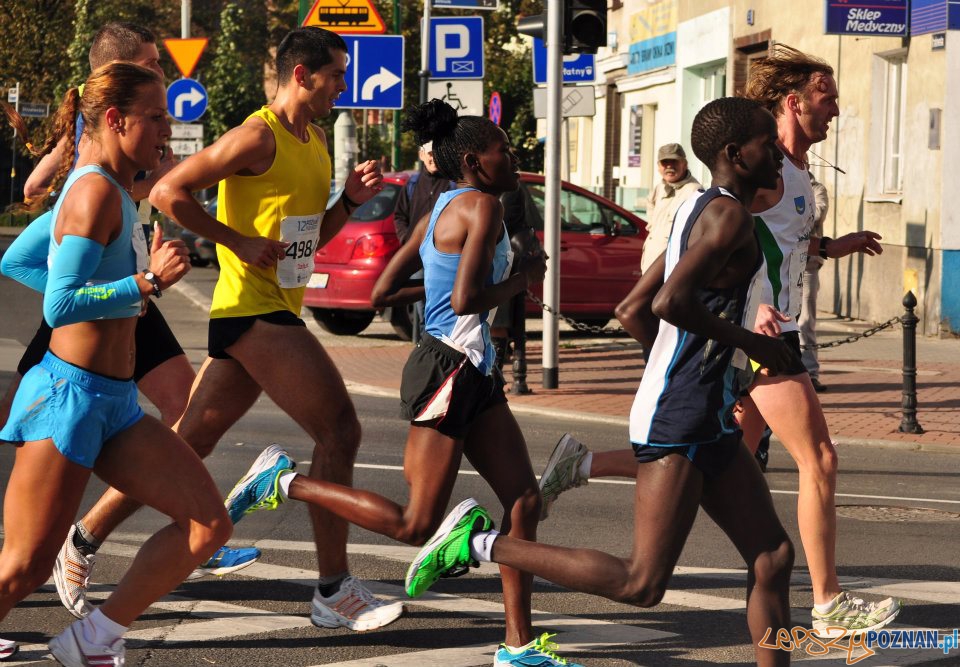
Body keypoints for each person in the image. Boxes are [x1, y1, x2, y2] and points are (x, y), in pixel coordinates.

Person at [405, 97, 797, 667]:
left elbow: (633, 307)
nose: (779, 155)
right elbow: (667, 302)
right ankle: (478, 543)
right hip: (682, 414)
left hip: (703, 408)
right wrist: (750, 347)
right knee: (642, 584)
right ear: (736, 154)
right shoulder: (729, 216)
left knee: (773, 558)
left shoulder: (695, 207)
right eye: (769, 142)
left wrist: (687, 365)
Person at [537, 45, 900, 639]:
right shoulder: (756, 180)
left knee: (722, 486)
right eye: (826, 97)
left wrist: (833, 247)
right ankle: (830, 601)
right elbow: (716, 250)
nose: (835, 109)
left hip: (737, 353)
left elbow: (775, 248)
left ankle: (583, 464)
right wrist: (743, 321)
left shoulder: (789, 173)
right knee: (820, 461)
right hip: (761, 340)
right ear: (794, 102)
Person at [221, 99, 583, 666]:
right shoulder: (483, 207)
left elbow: (384, 292)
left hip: (470, 365)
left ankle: (517, 646)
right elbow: (465, 299)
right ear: (473, 160)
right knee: (417, 525)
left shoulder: (437, 209)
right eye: (502, 150)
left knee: (524, 497)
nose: (511, 156)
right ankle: (283, 481)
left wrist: (446, 297)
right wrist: (520, 282)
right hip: (449, 370)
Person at [1, 22, 258, 621]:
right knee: (22, 568)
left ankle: (94, 638)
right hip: (68, 397)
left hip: (115, 401)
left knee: (208, 523)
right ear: (116, 120)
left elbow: (18, 259)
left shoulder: (115, 188)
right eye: (156, 118)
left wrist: (125, 302)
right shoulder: (91, 193)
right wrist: (143, 286)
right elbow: (59, 305)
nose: (168, 131)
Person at [148, 26, 402, 631]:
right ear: (301, 75)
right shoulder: (256, 135)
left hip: (273, 304)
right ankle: (334, 589)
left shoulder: (313, 140)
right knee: (340, 430)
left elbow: (311, 239)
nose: (345, 84)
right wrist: (234, 240)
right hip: (252, 308)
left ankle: (82, 538)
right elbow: (167, 191)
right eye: (337, 74)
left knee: (184, 444)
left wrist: (347, 201)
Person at [393, 141, 454, 342]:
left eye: (437, 153)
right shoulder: (412, 185)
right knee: (422, 307)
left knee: (439, 308)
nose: (432, 157)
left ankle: (435, 349)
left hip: (442, 258)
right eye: (429, 153)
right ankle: (422, 350)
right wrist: (407, 240)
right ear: (421, 155)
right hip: (417, 257)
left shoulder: (452, 184)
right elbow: (400, 216)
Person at [639, 143, 701, 275]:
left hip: (671, 271)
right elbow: (650, 203)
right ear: (658, 167)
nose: (669, 167)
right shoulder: (660, 187)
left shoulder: (694, 191)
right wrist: (652, 225)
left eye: (674, 162)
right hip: (650, 265)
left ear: (684, 164)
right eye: (665, 162)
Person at [798, 171, 829, 392]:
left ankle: (810, 373)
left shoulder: (816, 189)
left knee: (806, 321)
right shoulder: (778, 183)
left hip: (808, 265)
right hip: (785, 263)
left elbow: (816, 215)